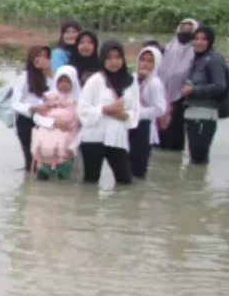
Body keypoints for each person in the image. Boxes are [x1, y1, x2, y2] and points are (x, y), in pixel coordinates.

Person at [76, 40, 140, 186]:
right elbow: (82, 110)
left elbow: (135, 111)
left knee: (124, 180)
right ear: (102, 59)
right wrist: (105, 110)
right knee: (91, 182)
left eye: (118, 57)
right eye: (109, 57)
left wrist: (123, 115)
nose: (114, 62)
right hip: (93, 137)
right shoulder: (95, 80)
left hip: (117, 137)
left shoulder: (131, 82)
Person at [180, 26, 226, 166]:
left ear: (210, 41)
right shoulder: (195, 59)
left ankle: (198, 185)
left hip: (205, 117)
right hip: (192, 115)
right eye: (196, 38)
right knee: (194, 158)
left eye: (203, 39)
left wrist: (193, 90)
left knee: (199, 159)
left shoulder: (214, 59)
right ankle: (195, 186)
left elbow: (220, 86)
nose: (199, 42)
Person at [30, 66, 81, 180]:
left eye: (68, 81)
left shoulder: (79, 102)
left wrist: (73, 149)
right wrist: (54, 123)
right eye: (60, 81)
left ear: (74, 82)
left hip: (67, 150)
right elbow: (37, 118)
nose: (64, 84)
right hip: (44, 150)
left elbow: (81, 129)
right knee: (41, 184)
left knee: (65, 184)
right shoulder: (48, 97)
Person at [157, 18, 200, 152]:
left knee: (174, 136)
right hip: (162, 96)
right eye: (183, 29)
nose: (185, 33)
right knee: (158, 135)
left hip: (181, 98)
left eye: (189, 30)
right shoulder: (167, 48)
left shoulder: (196, 53)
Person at [12, 45, 54, 171]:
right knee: (31, 160)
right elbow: (15, 103)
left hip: (45, 122)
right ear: (31, 57)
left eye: (45, 57)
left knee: (45, 159)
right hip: (26, 121)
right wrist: (33, 108)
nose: (41, 59)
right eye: (38, 55)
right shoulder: (24, 77)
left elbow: (57, 95)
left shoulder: (50, 78)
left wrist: (49, 72)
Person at [128, 46, 167, 179]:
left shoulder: (154, 83)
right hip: (128, 127)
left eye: (150, 61)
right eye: (142, 59)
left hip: (144, 129)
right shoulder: (132, 78)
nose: (145, 63)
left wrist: (138, 114)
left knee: (138, 171)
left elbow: (160, 108)